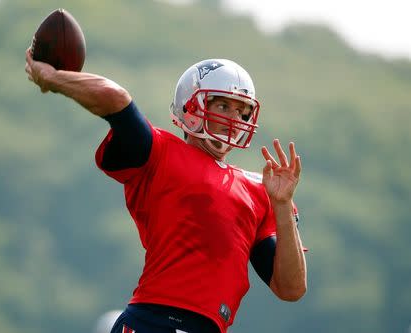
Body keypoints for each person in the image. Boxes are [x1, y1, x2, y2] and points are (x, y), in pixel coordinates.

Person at [25, 50, 307, 333]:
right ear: (191, 107)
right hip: (155, 320)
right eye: (223, 106)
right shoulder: (160, 152)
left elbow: (291, 288)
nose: (234, 117)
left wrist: (283, 204)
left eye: (241, 110)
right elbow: (116, 99)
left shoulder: (261, 190)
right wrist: (53, 78)